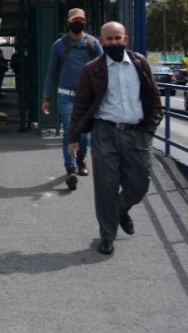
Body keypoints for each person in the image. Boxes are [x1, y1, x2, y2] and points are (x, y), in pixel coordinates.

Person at [67, 21, 163, 255]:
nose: (113, 43)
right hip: (105, 133)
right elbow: (80, 104)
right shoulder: (93, 68)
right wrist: (74, 137)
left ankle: (121, 209)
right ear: (101, 41)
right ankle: (107, 235)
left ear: (125, 39)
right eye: (108, 39)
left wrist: (150, 128)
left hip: (137, 133)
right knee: (106, 186)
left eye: (117, 38)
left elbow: (154, 97)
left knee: (139, 185)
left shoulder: (139, 63)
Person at [41, 8, 102, 190]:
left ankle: (81, 158)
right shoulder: (59, 45)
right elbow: (51, 72)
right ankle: (70, 168)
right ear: (68, 22)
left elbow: (104, 69)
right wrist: (46, 97)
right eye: (75, 20)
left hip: (87, 98)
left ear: (85, 21)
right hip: (65, 96)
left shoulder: (93, 44)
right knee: (70, 129)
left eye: (81, 19)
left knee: (84, 134)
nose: (78, 22)